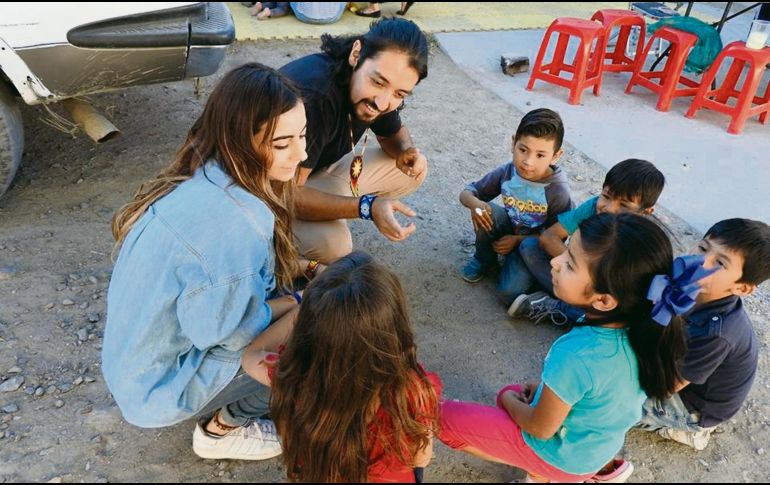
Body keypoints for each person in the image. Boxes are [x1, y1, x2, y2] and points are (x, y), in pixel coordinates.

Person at [102, 63, 315, 461]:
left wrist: (302, 276)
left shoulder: (209, 175)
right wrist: (295, 305)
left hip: (132, 370)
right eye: (282, 143)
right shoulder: (239, 224)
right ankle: (223, 429)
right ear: (240, 141)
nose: (302, 153)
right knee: (317, 331)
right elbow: (227, 333)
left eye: (302, 135)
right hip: (160, 393)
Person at [440, 213, 710, 483]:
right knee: (512, 393)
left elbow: (540, 428)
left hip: (562, 459)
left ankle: (542, 474)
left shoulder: (577, 353)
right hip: (594, 449)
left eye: (570, 264)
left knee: (446, 417)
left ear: (604, 301)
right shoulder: (645, 331)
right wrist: (542, 393)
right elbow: (606, 398)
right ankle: (594, 471)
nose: (556, 262)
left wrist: (511, 404)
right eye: (566, 251)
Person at [241, 251, 442, 483]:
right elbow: (421, 458)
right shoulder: (416, 389)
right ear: (395, 326)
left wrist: (309, 303)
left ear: (308, 326)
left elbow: (251, 356)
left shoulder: (297, 379)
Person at [280, 18, 430, 264]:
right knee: (334, 247)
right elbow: (287, 195)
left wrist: (407, 151)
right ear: (356, 54)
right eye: (378, 82)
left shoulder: (373, 90)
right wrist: (365, 207)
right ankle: (277, 249)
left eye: (399, 94)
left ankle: (327, 208)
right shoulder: (317, 98)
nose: (382, 104)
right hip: (263, 193)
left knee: (411, 170)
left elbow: (393, 135)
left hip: (305, 176)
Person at [636, 218, 769, 450]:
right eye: (703, 248)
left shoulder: (717, 333)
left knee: (609, 407)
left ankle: (690, 430)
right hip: (684, 365)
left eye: (720, 262)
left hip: (694, 405)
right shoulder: (695, 289)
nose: (702, 262)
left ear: (742, 288)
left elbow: (668, 386)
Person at [509, 158, 665, 325]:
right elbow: (549, 237)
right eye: (606, 196)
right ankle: (568, 301)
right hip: (580, 282)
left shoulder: (647, 241)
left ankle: (560, 307)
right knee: (529, 248)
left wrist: (580, 272)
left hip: (604, 297)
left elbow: (634, 296)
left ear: (646, 212)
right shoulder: (593, 207)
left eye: (624, 205)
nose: (609, 208)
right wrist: (576, 267)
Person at [458, 108, 573, 306]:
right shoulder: (508, 171)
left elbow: (555, 238)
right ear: (513, 143)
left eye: (540, 155)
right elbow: (468, 193)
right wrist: (476, 206)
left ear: (556, 155)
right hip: (509, 229)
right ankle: (484, 259)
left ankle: (535, 283)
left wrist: (517, 240)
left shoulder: (558, 191)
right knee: (486, 211)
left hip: (533, 246)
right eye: (523, 150)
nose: (528, 162)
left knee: (507, 293)